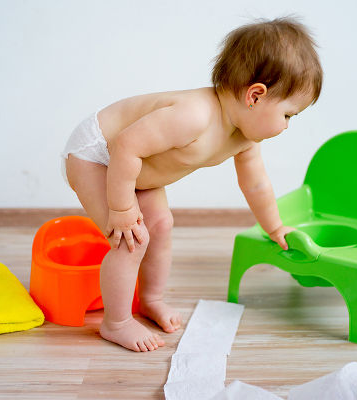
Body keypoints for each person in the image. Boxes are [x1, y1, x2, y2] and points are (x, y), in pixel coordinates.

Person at [60, 16, 323, 352]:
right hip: (97, 153)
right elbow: (124, 145)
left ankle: (150, 300)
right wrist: (122, 208)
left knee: (161, 225)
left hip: (136, 168)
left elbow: (255, 184)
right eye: (288, 115)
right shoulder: (194, 116)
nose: (287, 126)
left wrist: (275, 227)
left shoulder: (245, 137)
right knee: (132, 239)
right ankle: (117, 323)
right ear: (255, 96)